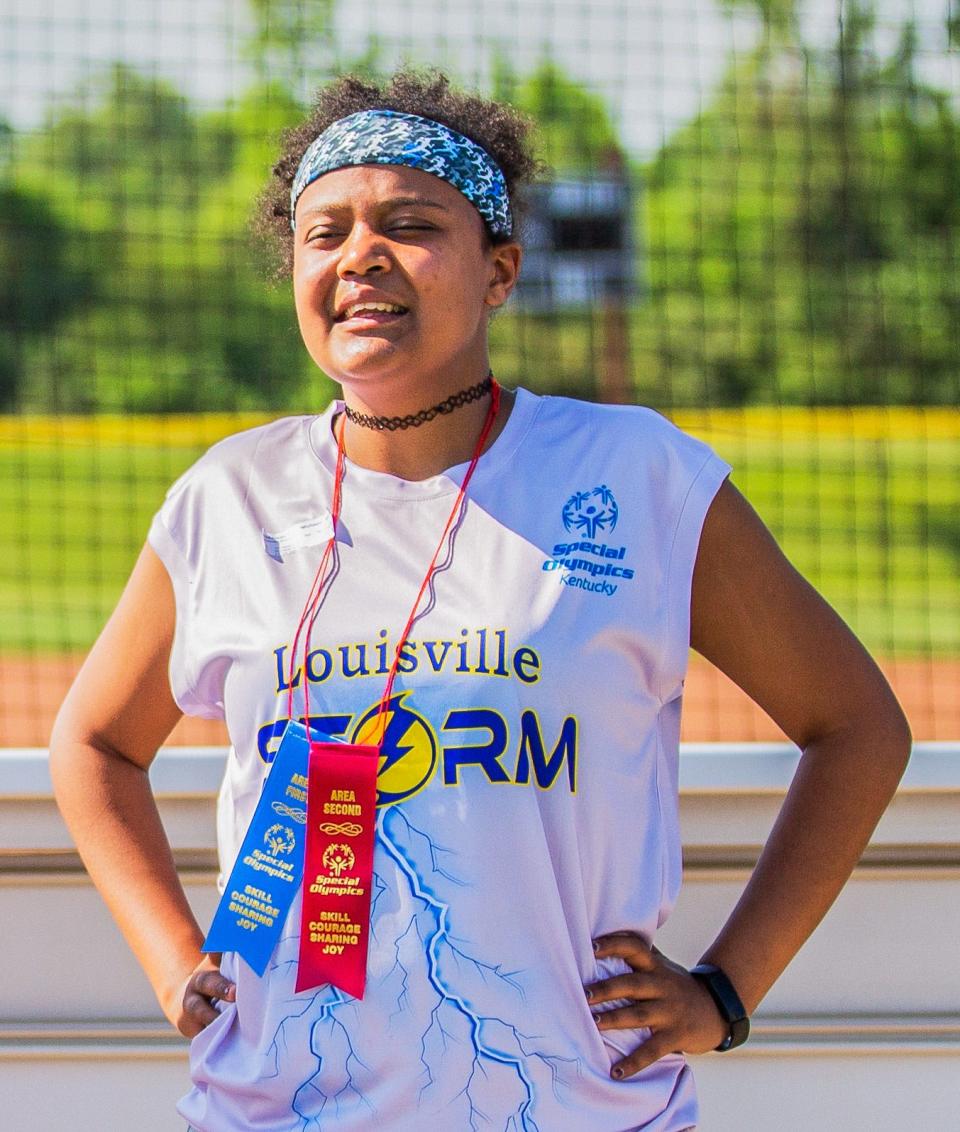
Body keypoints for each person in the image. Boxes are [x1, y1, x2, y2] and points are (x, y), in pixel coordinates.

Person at [50, 70, 911, 1131]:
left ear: (500, 269)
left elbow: (858, 725)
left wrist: (727, 991)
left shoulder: (636, 476)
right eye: (325, 233)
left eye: (410, 225)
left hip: (582, 1108)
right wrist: (172, 960)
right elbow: (92, 742)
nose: (361, 254)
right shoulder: (226, 499)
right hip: (274, 1107)